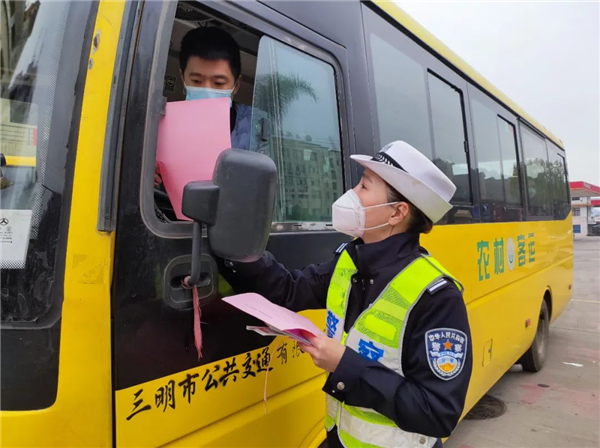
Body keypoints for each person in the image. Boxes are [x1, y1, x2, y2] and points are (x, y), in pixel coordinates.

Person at [219, 141, 473, 448]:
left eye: (364, 186)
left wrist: (345, 365)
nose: (352, 193)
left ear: (397, 212)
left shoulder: (437, 296)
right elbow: (289, 290)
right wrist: (236, 247)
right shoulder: (350, 262)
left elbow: (437, 412)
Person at [155, 26, 252, 189]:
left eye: (218, 83)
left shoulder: (255, 128)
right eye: (196, 81)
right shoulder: (159, 123)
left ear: (236, 85)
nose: (207, 90)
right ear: (183, 78)